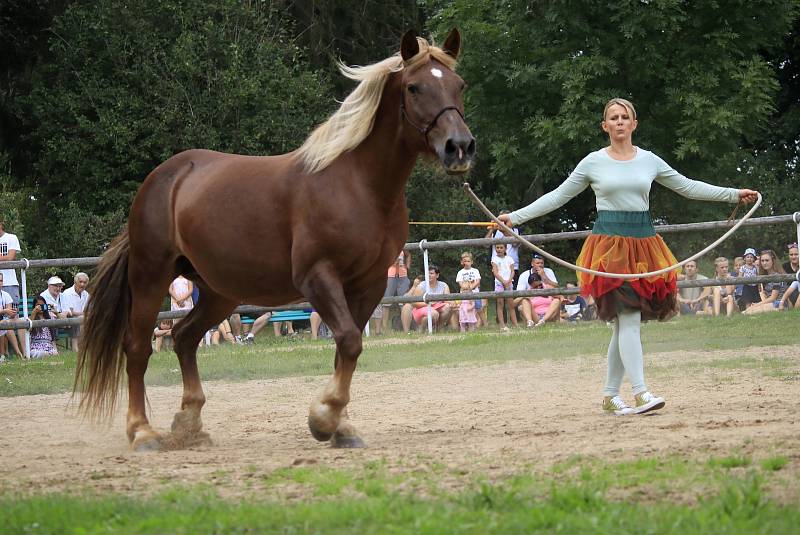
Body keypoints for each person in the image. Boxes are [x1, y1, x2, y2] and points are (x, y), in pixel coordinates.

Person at [498, 97, 758, 416]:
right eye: (613, 118)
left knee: (624, 325)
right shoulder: (593, 162)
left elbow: (688, 187)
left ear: (634, 124)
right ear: (604, 126)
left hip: (644, 244)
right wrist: (516, 217)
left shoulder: (649, 160)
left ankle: (610, 394)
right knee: (629, 317)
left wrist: (733, 195)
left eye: (624, 117)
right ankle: (640, 392)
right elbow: (558, 196)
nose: (619, 122)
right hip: (609, 249)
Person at [400, 265, 452, 332]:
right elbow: (414, 302)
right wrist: (429, 303)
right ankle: (420, 328)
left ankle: (440, 328)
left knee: (447, 307)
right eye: (427, 274)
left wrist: (452, 303)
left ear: (437, 275)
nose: (429, 275)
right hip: (424, 307)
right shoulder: (421, 286)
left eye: (431, 273)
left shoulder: (443, 285)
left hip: (438, 306)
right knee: (433, 313)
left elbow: (448, 299)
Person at [0, 216, 24, 349]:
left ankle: (22, 352)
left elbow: (10, 257)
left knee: (14, 317)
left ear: (1, 223)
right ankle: (4, 353)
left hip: (9, 283)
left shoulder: (11, 238)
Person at [743, 250, 787, 314]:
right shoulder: (764, 276)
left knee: (749, 312)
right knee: (747, 311)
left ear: (773, 261)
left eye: (767, 260)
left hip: (778, 303)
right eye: (762, 261)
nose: (764, 263)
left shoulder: (776, 276)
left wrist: (757, 305)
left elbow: (773, 298)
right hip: (769, 303)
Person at [382, 250, 412, 333]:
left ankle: (405, 327)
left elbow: (408, 254)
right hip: (389, 276)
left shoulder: (402, 244)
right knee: (386, 302)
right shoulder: (387, 244)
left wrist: (407, 266)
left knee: (404, 302)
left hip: (403, 276)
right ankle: (385, 328)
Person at [487, 213, 520, 284]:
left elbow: (515, 244)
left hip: (513, 267)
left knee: (513, 291)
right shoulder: (495, 231)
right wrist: (492, 228)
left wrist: (505, 230)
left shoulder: (515, 230)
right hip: (497, 267)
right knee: (498, 291)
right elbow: (486, 244)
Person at [61, 272, 90, 351]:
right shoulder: (67, 293)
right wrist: (83, 313)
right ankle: (77, 346)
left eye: (84, 282)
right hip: (68, 320)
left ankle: (87, 346)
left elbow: (88, 310)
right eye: (80, 282)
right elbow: (69, 312)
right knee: (81, 318)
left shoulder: (86, 294)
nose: (82, 284)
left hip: (83, 319)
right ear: (75, 282)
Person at [491, 243, 517, 330]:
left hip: (509, 283)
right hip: (499, 284)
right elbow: (495, 272)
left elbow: (513, 271)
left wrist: (509, 281)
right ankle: (502, 325)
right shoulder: (494, 260)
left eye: (501, 247)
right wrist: (503, 281)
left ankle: (515, 324)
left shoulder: (510, 259)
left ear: (505, 249)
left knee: (511, 305)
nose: (499, 249)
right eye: (497, 248)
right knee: (500, 304)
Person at [455, 251, 483, 327]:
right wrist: (466, 289)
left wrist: (470, 288)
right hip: (464, 294)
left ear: (472, 262)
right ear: (462, 262)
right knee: (465, 309)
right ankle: (466, 324)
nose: (467, 263)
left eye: (468, 261)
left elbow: (477, 281)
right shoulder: (460, 272)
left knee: (478, 308)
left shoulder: (475, 271)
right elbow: (460, 283)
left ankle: (482, 323)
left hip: (475, 292)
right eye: (465, 261)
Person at [0, 273, 23, 360]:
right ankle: (15, 353)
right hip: (3, 321)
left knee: (21, 322)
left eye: (1, 281)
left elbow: (9, 313)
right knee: (5, 324)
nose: (0, 283)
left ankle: (24, 353)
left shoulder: (5, 294)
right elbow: (6, 311)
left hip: (4, 320)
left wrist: (13, 313)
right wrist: (5, 311)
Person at [780, 243, 799, 310]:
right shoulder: (784, 266)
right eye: (791, 255)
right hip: (788, 292)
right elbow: (782, 284)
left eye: (796, 254)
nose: (793, 257)